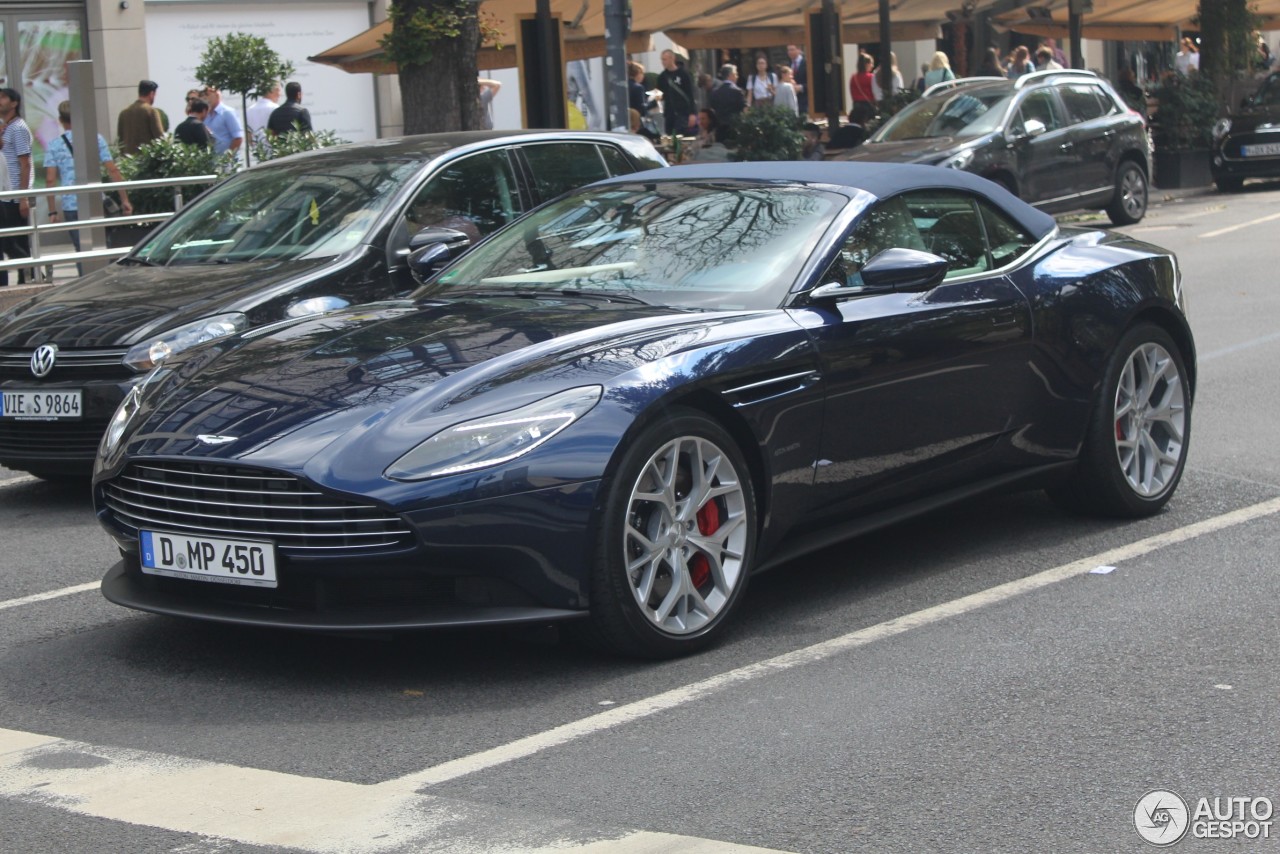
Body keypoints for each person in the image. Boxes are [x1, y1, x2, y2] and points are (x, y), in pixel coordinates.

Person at [44, 100, 132, 273]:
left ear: (61, 120)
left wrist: (52, 210)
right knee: (101, 247)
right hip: (95, 201)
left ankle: (84, 282)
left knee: (81, 251)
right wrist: (124, 199)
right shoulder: (95, 138)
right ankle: (104, 280)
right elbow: (112, 170)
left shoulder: (54, 145)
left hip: (71, 204)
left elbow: (50, 180)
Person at [0, 87, 33, 287]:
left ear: (14, 103)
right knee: (7, 240)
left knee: (15, 242)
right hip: (5, 194)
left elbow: (25, 163)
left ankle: (27, 277)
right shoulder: (6, 127)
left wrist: (22, 197)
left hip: (13, 196)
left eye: (3, 98)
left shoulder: (18, 128)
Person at [116, 79, 164, 156]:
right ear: (152, 94)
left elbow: (120, 141)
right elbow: (160, 138)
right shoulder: (151, 111)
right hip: (146, 162)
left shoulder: (124, 113)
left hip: (128, 163)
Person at [657, 49, 696, 135]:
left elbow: (690, 94)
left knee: (680, 135)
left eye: (665, 59)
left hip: (683, 113)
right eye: (662, 59)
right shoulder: (662, 77)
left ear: (672, 59)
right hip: (669, 113)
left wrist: (692, 113)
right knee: (670, 135)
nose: (663, 62)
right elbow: (660, 93)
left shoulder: (684, 74)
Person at [201, 85, 244, 156]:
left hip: (228, 164)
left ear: (217, 94)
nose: (205, 98)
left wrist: (227, 159)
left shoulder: (227, 112)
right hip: (211, 162)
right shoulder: (206, 116)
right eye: (204, 95)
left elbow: (238, 138)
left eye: (208, 95)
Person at [708, 63, 746, 142]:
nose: (737, 77)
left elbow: (713, 108)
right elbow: (744, 109)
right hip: (735, 128)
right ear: (731, 75)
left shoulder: (715, 92)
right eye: (736, 74)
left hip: (719, 129)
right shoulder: (737, 92)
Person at [848, 53, 877, 124]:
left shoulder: (853, 77)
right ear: (867, 64)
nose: (872, 66)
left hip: (857, 105)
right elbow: (875, 92)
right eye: (871, 63)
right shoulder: (871, 77)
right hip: (868, 105)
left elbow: (852, 92)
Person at [787, 44, 808, 113]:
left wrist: (801, 87)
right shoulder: (789, 64)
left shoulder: (807, 63)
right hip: (793, 101)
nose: (790, 52)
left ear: (798, 50)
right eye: (788, 50)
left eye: (792, 49)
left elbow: (813, 82)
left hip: (806, 100)